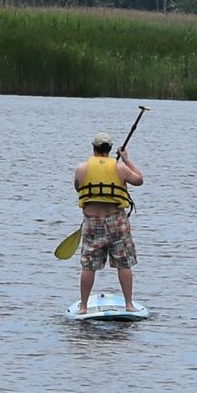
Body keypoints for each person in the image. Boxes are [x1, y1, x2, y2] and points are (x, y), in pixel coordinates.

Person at [72, 133, 145, 314]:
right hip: (117, 221)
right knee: (124, 263)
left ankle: (83, 307)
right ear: (110, 149)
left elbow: (78, 188)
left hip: (92, 221)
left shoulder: (81, 169)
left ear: (93, 148)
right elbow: (139, 180)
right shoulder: (120, 168)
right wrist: (126, 160)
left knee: (88, 265)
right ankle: (129, 305)